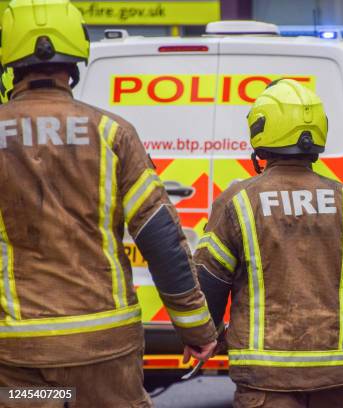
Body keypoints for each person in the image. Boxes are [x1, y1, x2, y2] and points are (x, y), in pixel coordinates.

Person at [0, 1, 217, 406]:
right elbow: (161, 238)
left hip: (16, 353)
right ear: (76, 57)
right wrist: (197, 329)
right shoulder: (112, 134)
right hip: (103, 348)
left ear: (9, 59)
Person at [193, 78, 343, 407]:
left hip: (265, 378)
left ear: (261, 133)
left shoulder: (240, 200)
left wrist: (202, 336)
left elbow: (211, 280)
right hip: (335, 374)